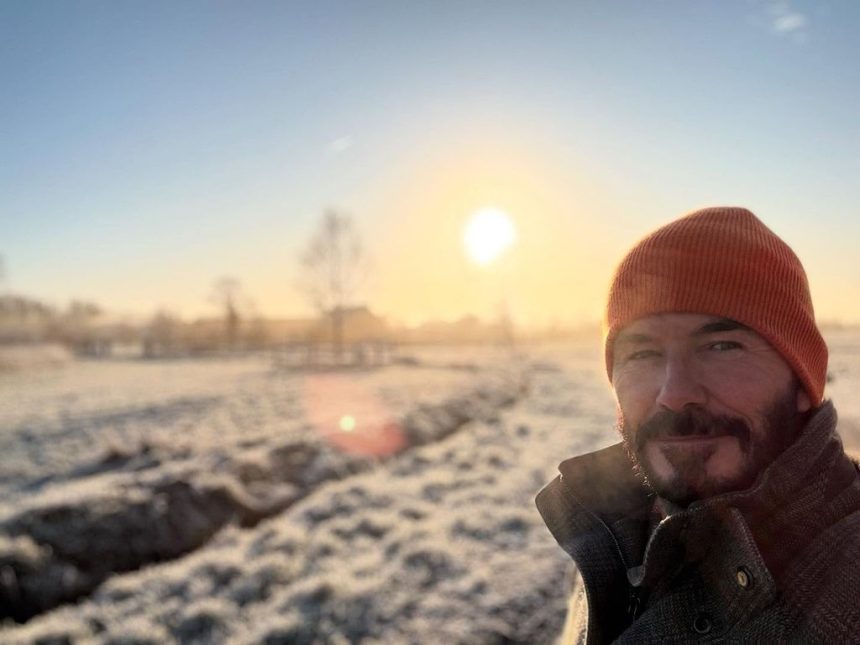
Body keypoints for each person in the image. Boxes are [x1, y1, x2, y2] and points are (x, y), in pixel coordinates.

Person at [536, 206, 860, 643]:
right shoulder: (616, 527)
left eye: (722, 346)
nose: (674, 393)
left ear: (802, 381)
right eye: (642, 354)